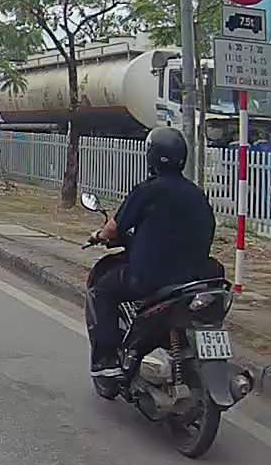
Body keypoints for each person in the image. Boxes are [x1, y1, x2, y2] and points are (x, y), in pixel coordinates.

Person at [85, 126, 216, 377]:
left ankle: (106, 361)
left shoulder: (147, 191)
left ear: (151, 156)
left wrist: (98, 235)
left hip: (150, 279)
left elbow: (114, 228)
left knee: (102, 292)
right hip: (193, 279)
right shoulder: (197, 195)